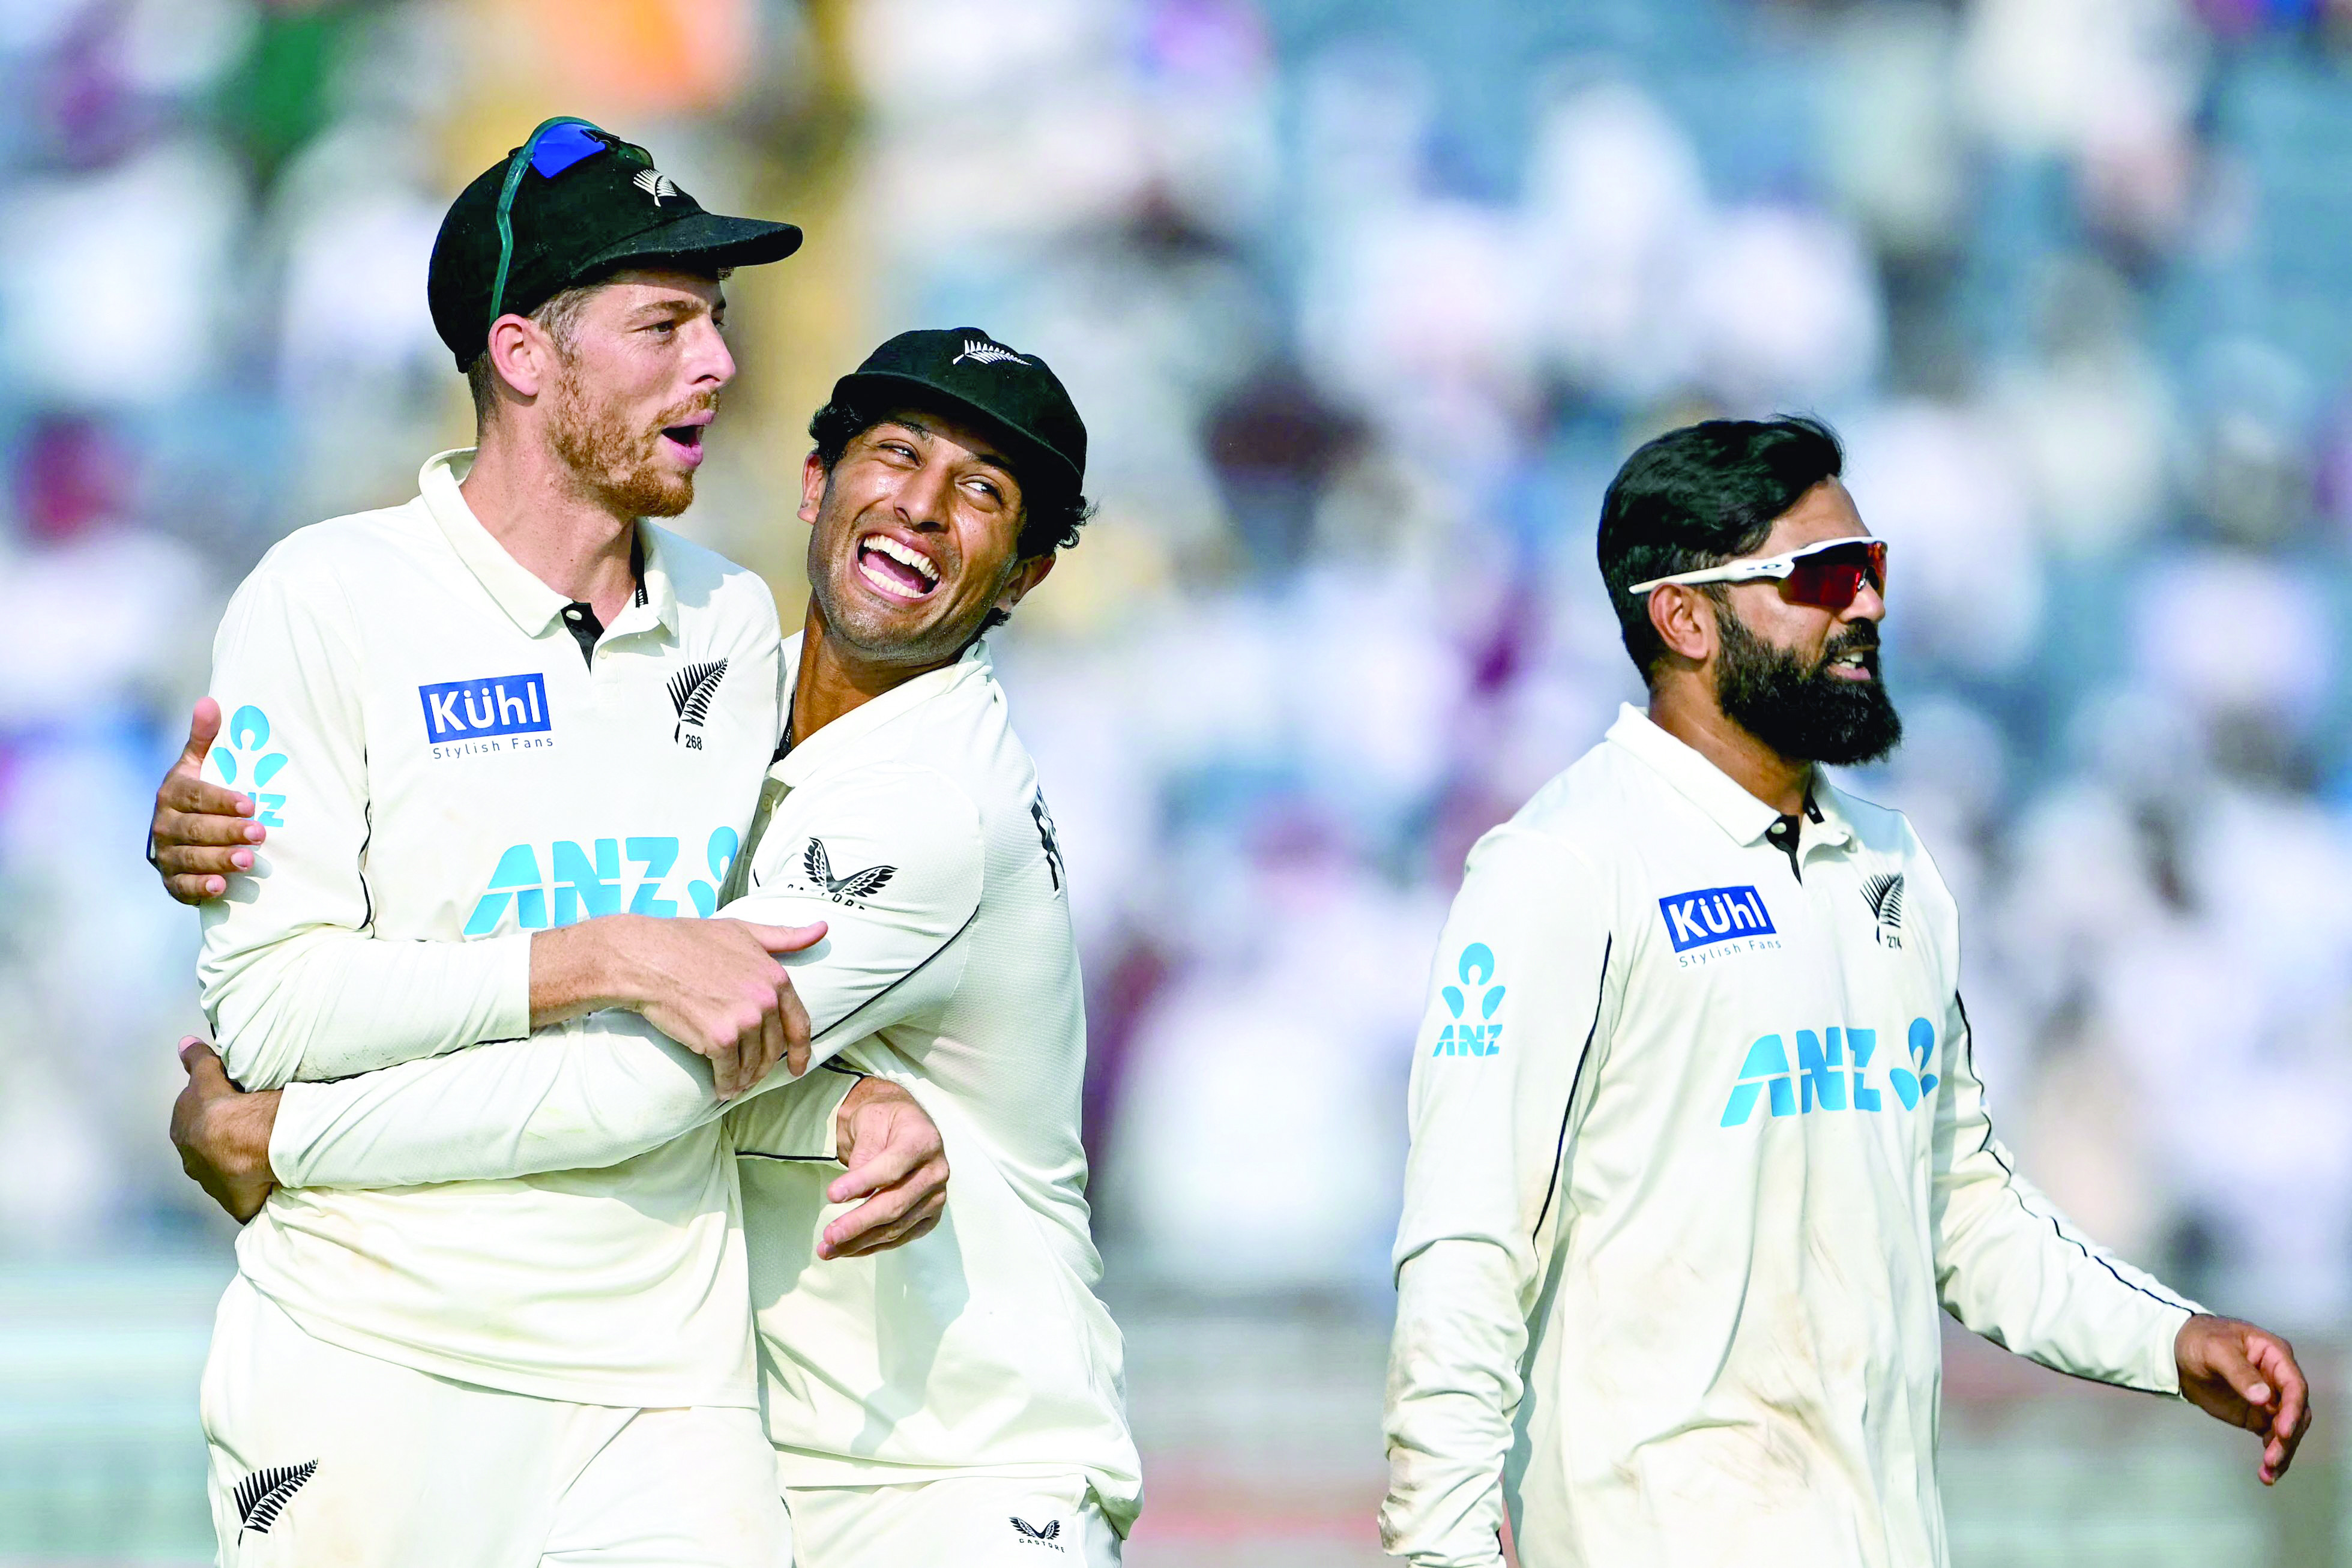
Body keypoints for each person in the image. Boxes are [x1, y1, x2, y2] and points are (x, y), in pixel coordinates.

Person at [158, 329, 1142, 1566]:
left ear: (1026, 576)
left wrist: (284, 1133)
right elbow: (493, 881)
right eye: (896, 455)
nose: (924, 509)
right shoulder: (724, 696)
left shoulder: (927, 802)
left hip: (961, 1481)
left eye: (984, 493)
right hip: (769, 1462)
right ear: (813, 484)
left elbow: (641, 1080)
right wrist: (228, 829)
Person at [1378, 417, 2314, 1568]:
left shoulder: (1892, 867)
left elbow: (1960, 1206)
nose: (1864, 606)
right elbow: (1467, 1254)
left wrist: (2170, 1339)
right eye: (1822, 577)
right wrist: (1441, 1553)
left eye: (1871, 570)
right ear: (1683, 617)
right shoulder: (1562, 868)